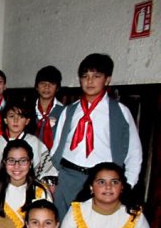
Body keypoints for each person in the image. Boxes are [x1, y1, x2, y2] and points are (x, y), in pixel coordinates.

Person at [51, 53, 143, 218]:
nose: (90, 81)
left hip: (101, 181)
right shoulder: (69, 111)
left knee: (93, 226)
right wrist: (55, 176)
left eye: (96, 76)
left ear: (107, 80)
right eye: (85, 76)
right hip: (67, 177)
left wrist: (128, 183)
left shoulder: (120, 112)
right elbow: (57, 146)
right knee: (62, 225)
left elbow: (134, 152)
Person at [0, 99, 57, 190]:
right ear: (5, 120)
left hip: (29, 191)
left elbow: (47, 174)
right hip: (0, 192)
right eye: (11, 116)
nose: (16, 120)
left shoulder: (35, 143)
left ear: (27, 121)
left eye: (21, 116)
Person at [34, 66, 64, 149]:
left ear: (57, 88)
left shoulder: (64, 111)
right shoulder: (27, 109)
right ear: (36, 86)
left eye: (52, 83)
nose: (47, 87)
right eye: (42, 83)